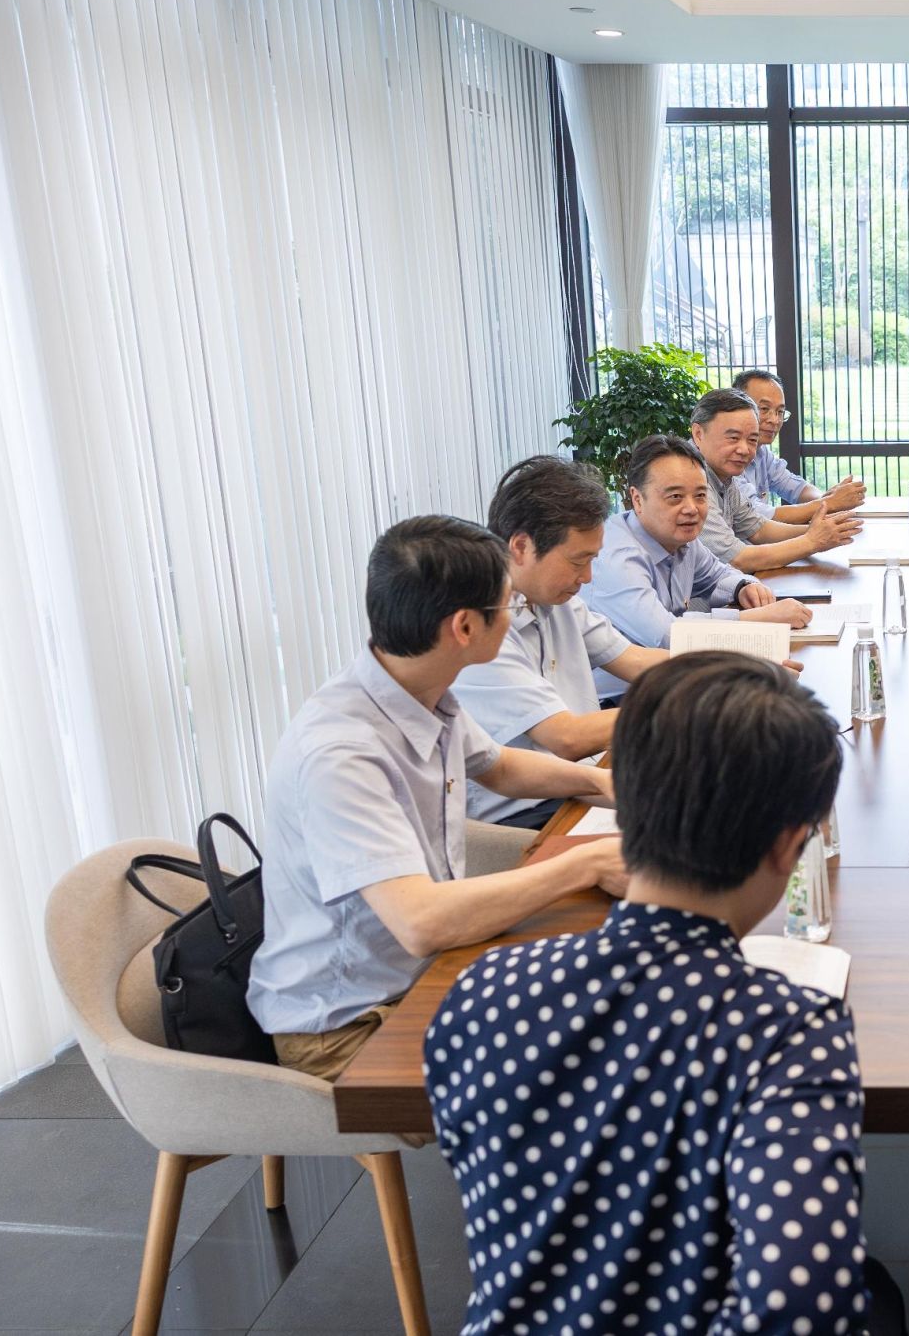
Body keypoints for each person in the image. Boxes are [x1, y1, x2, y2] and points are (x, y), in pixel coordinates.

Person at [426, 651, 908, 1336]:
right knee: (876, 1295)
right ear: (788, 846)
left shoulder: (483, 992)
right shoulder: (786, 1032)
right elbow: (801, 1305)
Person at [246, 516, 628, 1081]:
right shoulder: (342, 754)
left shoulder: (416, 688)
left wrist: (603, 786)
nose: (515, 615)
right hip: (348, 1026)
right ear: (465, 627)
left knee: (606, 995)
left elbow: (499, 766)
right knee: (587, 1060)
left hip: (421, 970)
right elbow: (422, 923)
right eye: (507, 605)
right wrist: (587, 862)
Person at [456, 456, 670, 830]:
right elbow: (566, 738)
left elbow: (635, 660)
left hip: (583, 781)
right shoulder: (480, 630)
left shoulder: (557, 601)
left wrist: (724, 673)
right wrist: (682, 705)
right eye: (577, 561)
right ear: (521, 547)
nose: (587, 577)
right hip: (526, 814)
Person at [583, 433, 815, 668]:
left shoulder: (681, 538)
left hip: (678, 674)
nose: (691, 508)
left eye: (700, 496)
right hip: (629, 688)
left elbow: (719, 574)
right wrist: (760, 617)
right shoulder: (616, 559)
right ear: (637, 499)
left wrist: (744, 587)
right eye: (675, 497)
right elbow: (668, 637)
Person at [690, 387, 863, 571]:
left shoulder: (723, 474)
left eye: (752, 440)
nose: (744, 449)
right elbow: (738, 559)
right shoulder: (691, 480)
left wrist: (824, 530)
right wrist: (812, 540)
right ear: (698, 434)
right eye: (733, 438)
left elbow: (758, 529)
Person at [733, 368, 867, 520]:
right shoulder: (727, 458)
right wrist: (828, 503)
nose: (775, 420)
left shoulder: (762, 453)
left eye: (780, 412)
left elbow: (795, 487)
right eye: (764, 409)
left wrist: (827, 499)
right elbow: (756, 517)